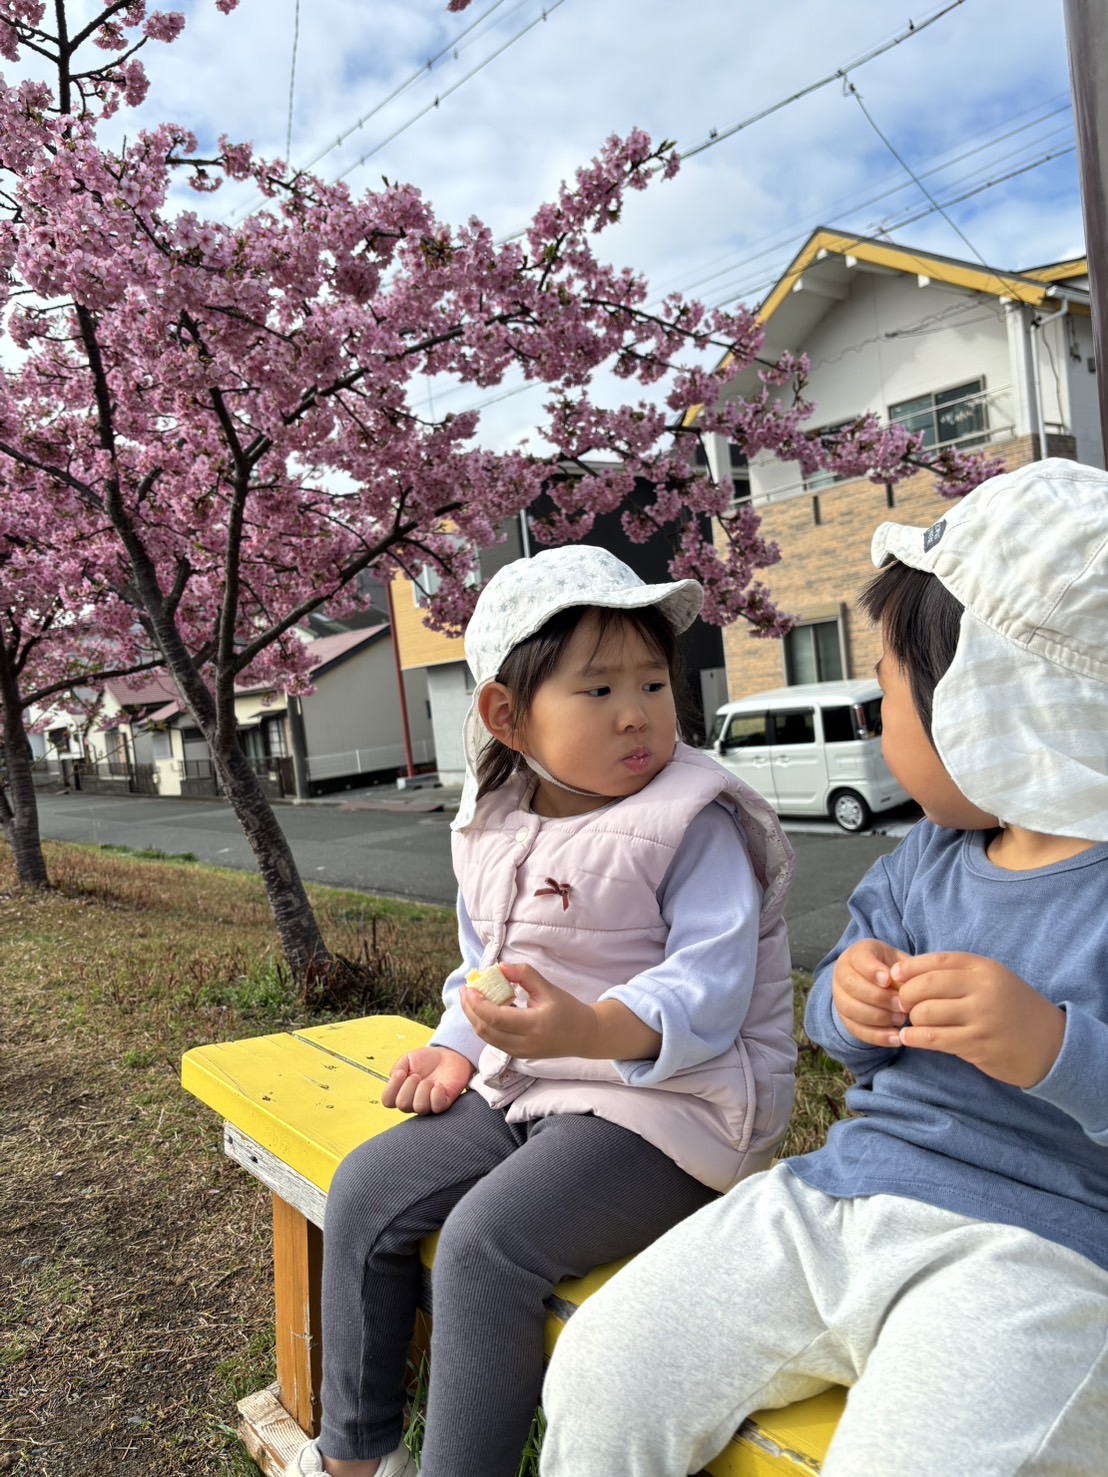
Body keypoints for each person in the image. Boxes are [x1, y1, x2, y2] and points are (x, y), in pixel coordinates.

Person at [539, 458, 1108, 1477]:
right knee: (604, 1364)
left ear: (998, 709)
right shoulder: (924, 858)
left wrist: (1054, 1045)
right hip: (832, 1198)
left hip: (1039, 1252)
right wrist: (847, 1001)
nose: (874, 727)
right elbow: (830, 1025)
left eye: (886, 696)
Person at [293, 544, 797, 1477]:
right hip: (532, 1085)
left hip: (672, 1109)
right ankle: (354, 1456)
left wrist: (592, 1028)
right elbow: (484, 963)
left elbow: (711, 985)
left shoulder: (696, 818)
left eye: (653, 680)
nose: (639, 711)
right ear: (506, 714)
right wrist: (454, 1045)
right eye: (598, 691)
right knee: (367, 1187)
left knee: (487, 1245)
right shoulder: (496, 817)